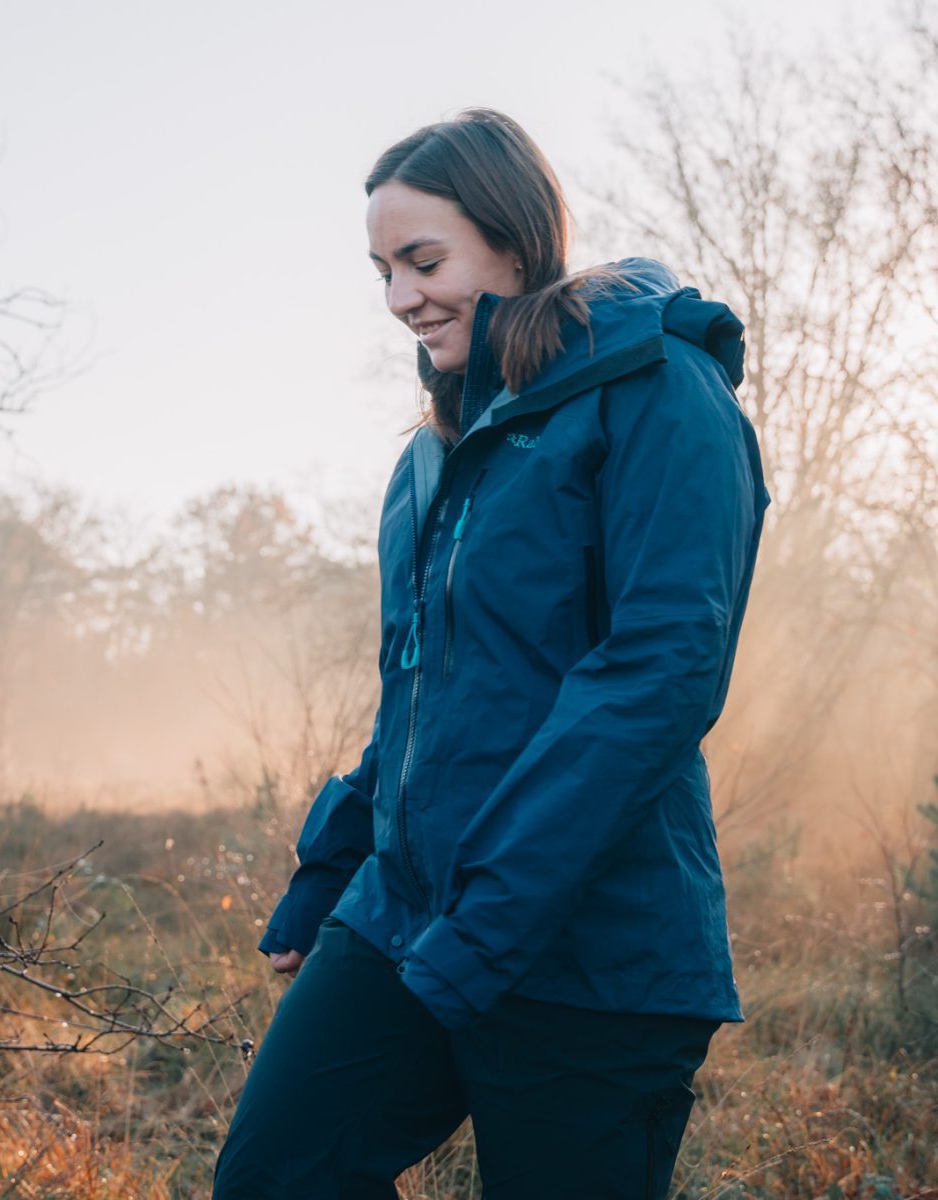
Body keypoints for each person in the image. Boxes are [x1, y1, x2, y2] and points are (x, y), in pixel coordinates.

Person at [212, 108, 770, 1199]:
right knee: (272, 1179)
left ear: (517, 241)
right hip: (409, 919)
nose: (400, 298)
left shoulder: (660, 388)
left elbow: (660, 675)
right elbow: (415, 695)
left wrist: (489, 922)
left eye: (425, 261)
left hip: (594, 951)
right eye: (380, 271)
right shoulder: (435, 458)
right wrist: (330, 872)